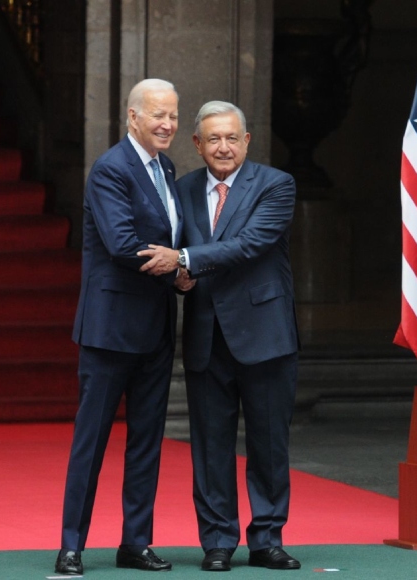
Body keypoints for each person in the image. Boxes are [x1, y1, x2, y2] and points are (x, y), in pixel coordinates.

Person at [139, 101, 301, 571]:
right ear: (197, 145)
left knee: (270, 443)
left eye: (232, 138)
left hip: (265, 335)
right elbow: (169, 255)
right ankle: (217, 542)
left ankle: (267, 539)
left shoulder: (276, 185)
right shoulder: (180, 189)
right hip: (207, 335)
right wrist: (178, 276)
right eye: (214, 139)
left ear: (247, 141)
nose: (224, 147)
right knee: (210, 446)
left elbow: (251, 244)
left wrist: (185, 260)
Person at [56, 79, 183, 576]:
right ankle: (71, 545)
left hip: (155, 328)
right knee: (91, 440)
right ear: (132, 117)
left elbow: (170, 238)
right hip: (109, 330)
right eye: (157, 114)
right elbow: (121, 242)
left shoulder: (167, 168)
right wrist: (183, 265)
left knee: (147, 440)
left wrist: (184, 265)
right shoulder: (111, 168)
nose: (167, 123)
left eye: (173, 114)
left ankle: (136, 542)